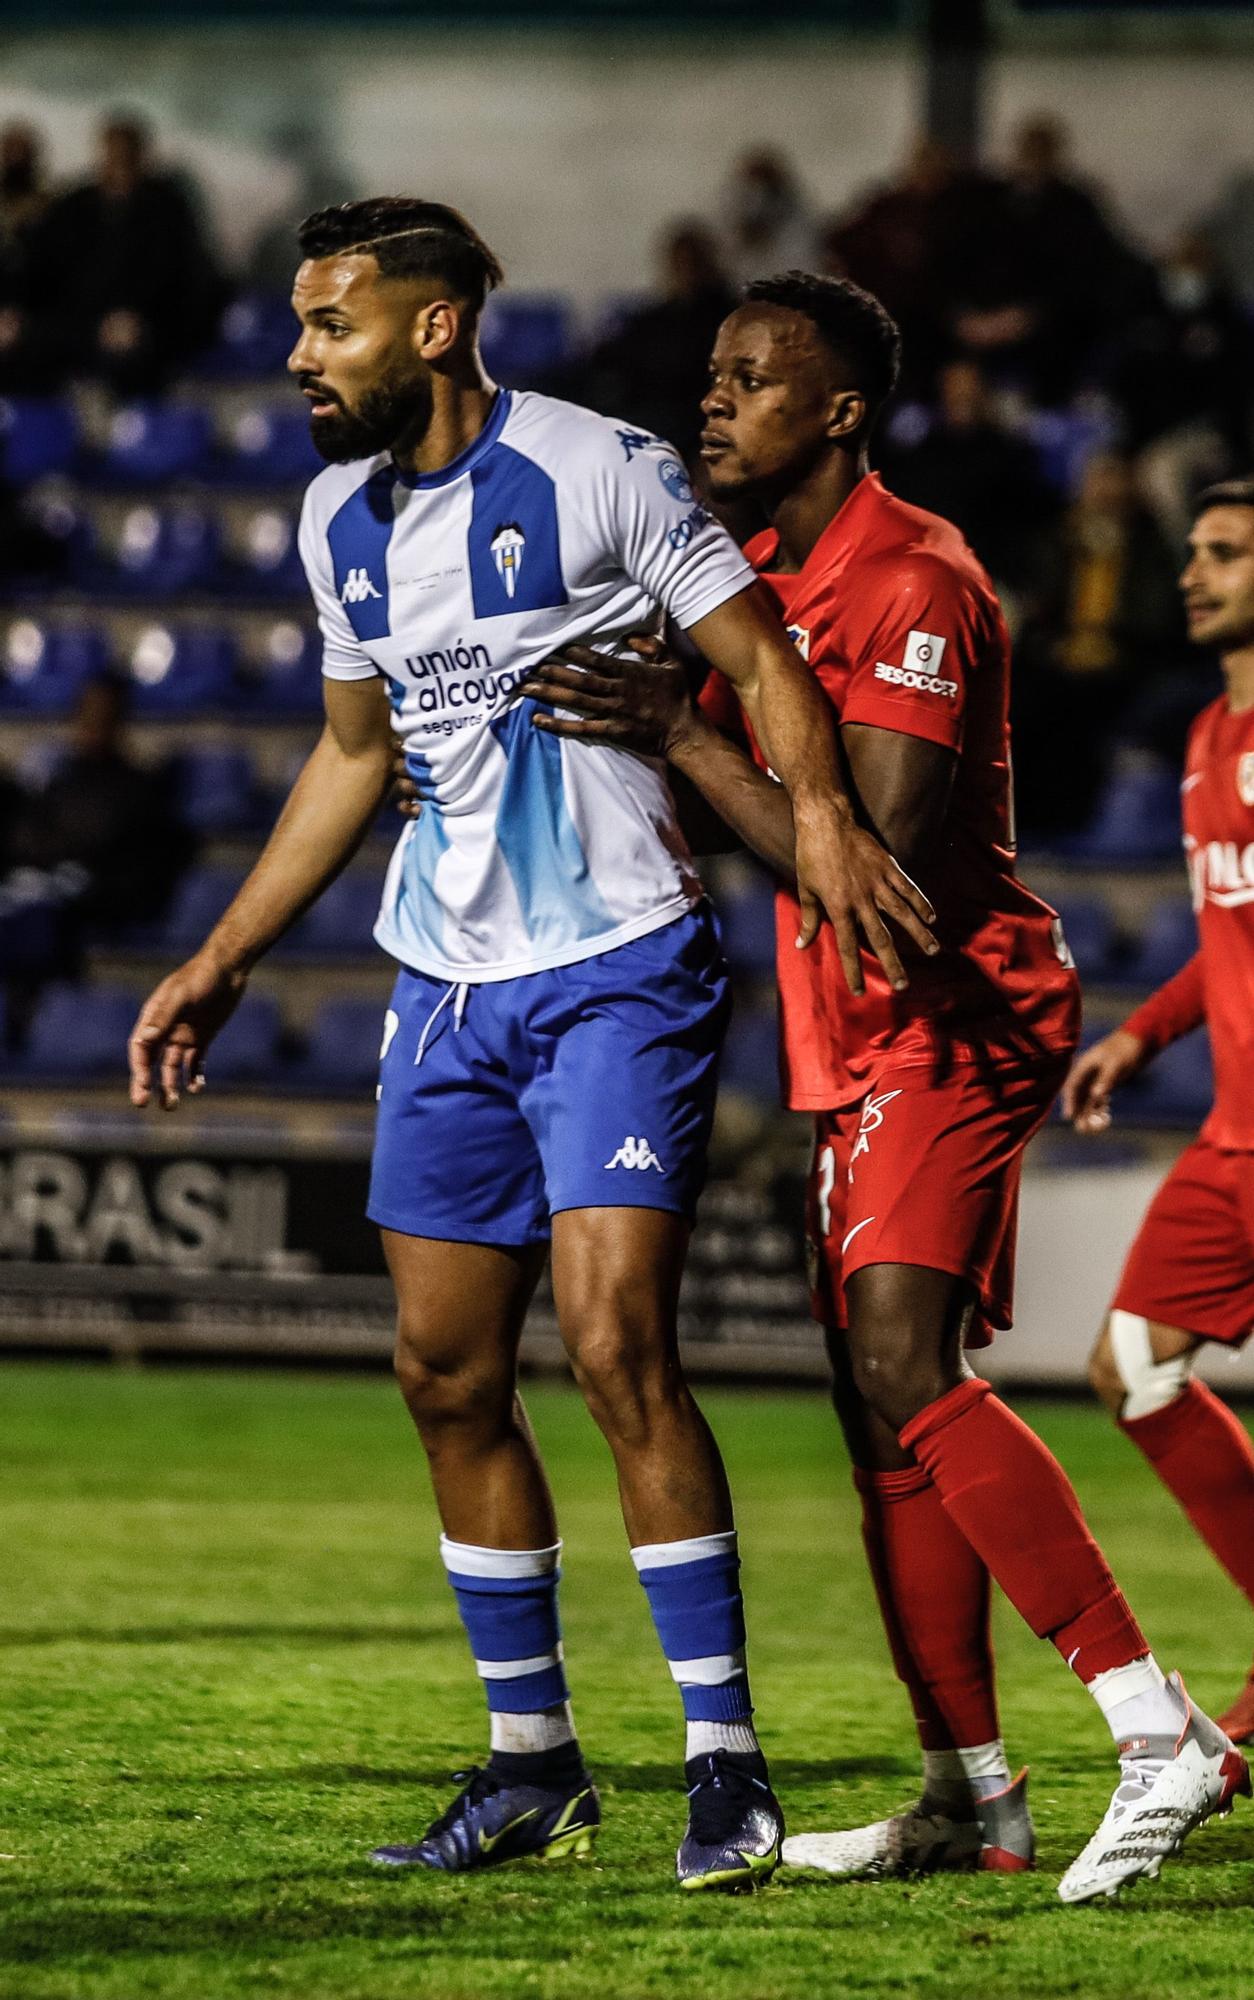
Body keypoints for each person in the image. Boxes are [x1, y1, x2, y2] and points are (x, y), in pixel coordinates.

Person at [124, 197, 935, 1890]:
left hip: (617, 967)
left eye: (328, 325)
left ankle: (724, 1764)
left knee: (615, 1340)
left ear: (429, 327)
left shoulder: (598, 467)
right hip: (443, 983)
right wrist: (216, 956)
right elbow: (352, 755)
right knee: (442, 1373)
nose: (296, 356)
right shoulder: (334, 515)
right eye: (295, 324)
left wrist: (827, 830)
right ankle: (530, 1766)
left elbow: (759, 656)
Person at [522, 272, 1250, 1904]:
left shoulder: (911, 578)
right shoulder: (758, 577)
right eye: (709, 376)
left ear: (836, 411)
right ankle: (964, 1798)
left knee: (900, 1357)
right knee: (876, 1421)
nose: (713, 402)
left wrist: (686, 738)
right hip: (844, 1031)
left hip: (950, 1006)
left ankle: (1151, 1724)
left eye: (752, 380)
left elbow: (879, 860)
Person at [1065, 478, 1254, 1750]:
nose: (1194, 570)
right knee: (1131, 1367)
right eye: (1191, 551)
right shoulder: (1204, 738)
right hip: (1235, 1140)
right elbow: (1222, 931)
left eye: (1227, 553)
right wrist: (1142, 1032)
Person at [37, 111, 225, 394]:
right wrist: (97, 325)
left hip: (155, 331)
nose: (120, 162)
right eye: (114, 153)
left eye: (127, 153)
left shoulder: (168, 207)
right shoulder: (74, 207)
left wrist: (139, 321)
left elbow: (184, 277)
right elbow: (53, 275)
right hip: (82, 328)